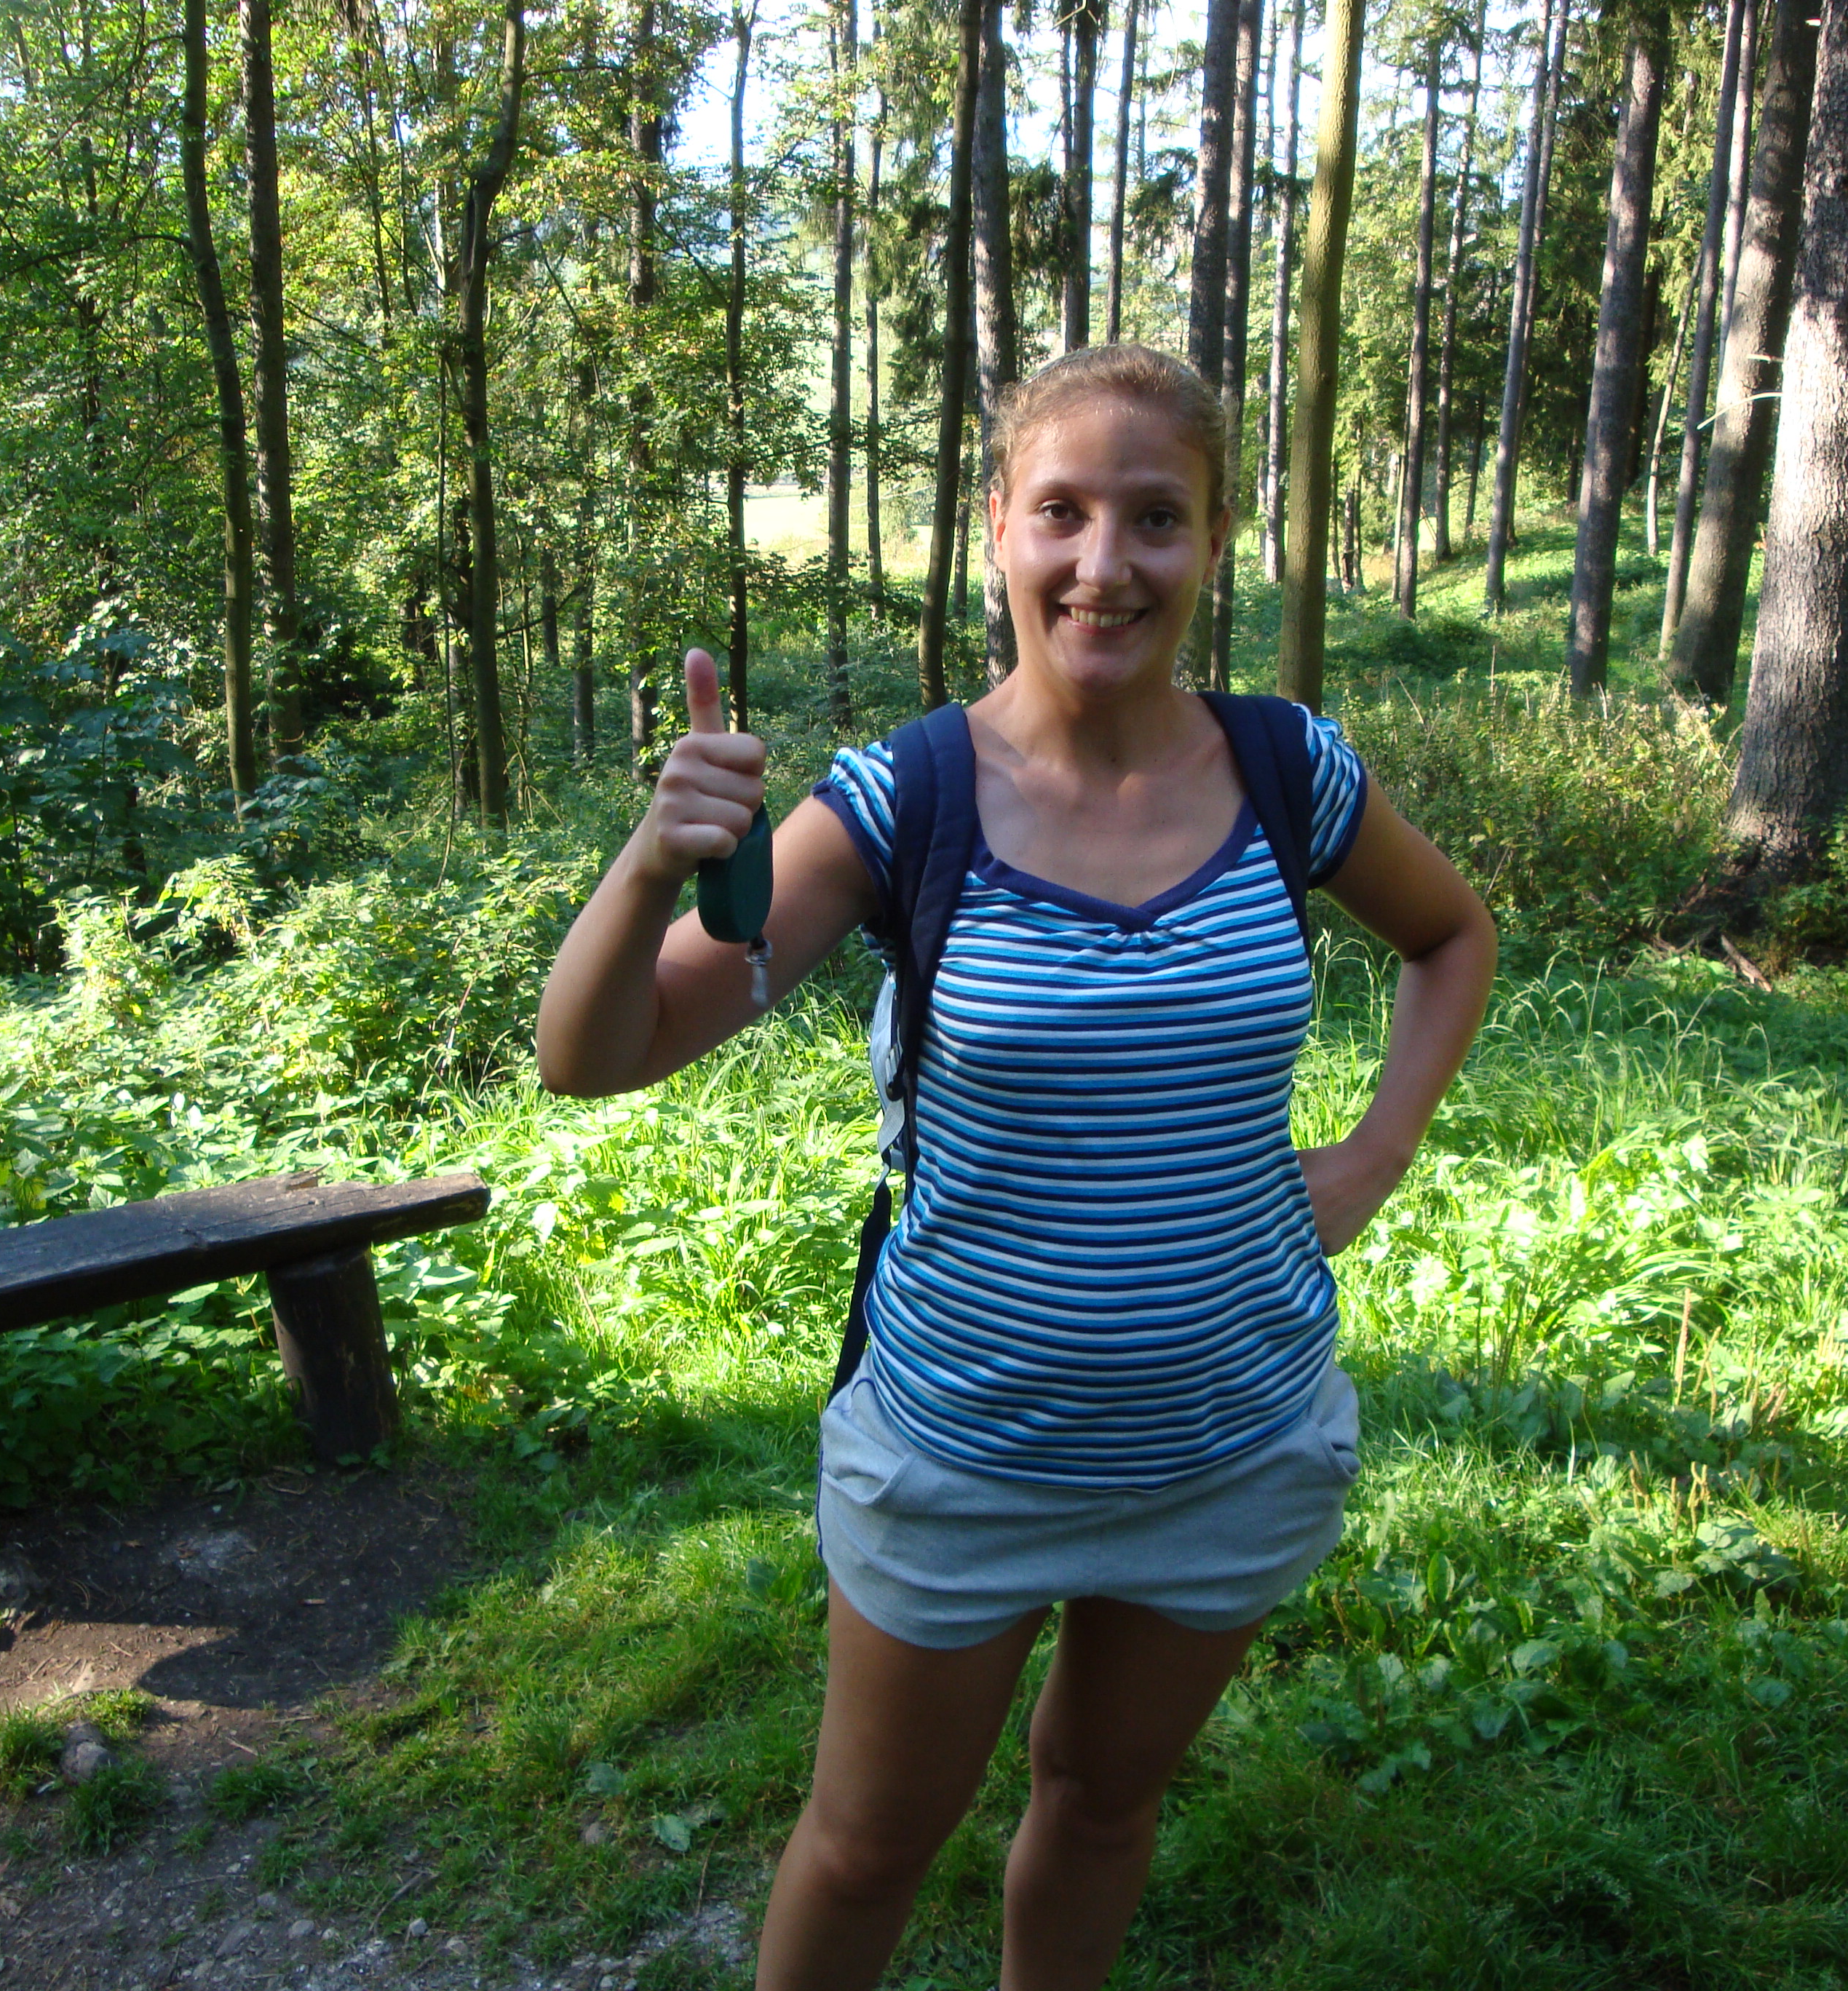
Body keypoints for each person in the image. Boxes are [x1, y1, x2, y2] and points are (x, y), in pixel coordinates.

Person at [536, 343, 1496, 1991]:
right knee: (866, 1847)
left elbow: (1451, 933)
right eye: (1062, 512)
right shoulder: (907, 798)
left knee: (1105, 1809)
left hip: (1232, 1441)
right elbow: (596, 1053)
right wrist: (647, 869)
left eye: (1156, 517)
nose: (1105, 563)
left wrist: (1376, 1151)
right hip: (962, 1455)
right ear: (998, 527)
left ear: (1214, 540)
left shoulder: (1288, 771)